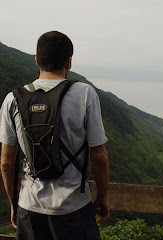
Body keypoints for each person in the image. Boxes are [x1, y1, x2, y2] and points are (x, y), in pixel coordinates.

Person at [0, 31, 109, 239]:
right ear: (69, 62)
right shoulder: (84, 94)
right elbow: (99, 157)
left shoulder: (12, 100)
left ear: (37, 61)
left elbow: (6, 162)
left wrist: (15, 203)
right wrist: (102, 196)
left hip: (29, 207)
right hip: (74, 208)